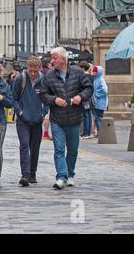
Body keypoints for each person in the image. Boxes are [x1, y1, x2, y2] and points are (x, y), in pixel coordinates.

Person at [40, 47, 93, 190]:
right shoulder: (49, 76)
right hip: (57, 119)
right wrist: (54, 100)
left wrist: (80, 97)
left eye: (54, 58)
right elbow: (43, 94)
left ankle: (70, 174)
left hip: (74, 118)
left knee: (73, 150)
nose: (52, 61)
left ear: (63, 59)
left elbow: (89, 88)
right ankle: (61, 177)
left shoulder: (77, 73)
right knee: (58, 149)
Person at [12, 56, 46, 186]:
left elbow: (48, 98)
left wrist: (43, 114)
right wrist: (20, 112)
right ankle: (25, 174)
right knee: (24, 145)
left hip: (37, 119)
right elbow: (14, 98)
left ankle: (33, 173)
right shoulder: (21, 79)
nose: (32, 73)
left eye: (35, 71)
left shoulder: (43, 81)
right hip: (23, 120)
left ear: (39, 69)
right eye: (30, 70)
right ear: (27, 67)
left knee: (35, 147)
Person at [79, 62, 95, 139]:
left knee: (85, 114)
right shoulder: (91, 76)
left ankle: (85, 133)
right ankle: (88, 132)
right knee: (88, 114)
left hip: (84, 97)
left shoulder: (83, 76)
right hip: (89, 97)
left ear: (82, 68)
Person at [92, 66, 108, 135]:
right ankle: (100, 132)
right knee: (97, 117)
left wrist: (96, 94)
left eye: (95, 71)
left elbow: (105, 90)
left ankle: (101, 133)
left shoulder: (101, 80)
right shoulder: (96, 79)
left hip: (100, 102)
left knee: (99, 118)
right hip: (96, 102)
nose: (94, 72)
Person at [41, 58, 53, 140]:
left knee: (43, 114)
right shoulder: (49, 73)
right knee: (47, 115)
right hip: (47, 96)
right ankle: (45, 133)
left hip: (40, 97)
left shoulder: (40, 72)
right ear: (48, 64)